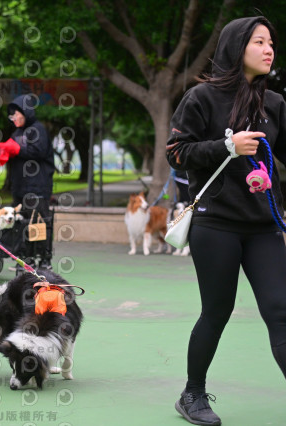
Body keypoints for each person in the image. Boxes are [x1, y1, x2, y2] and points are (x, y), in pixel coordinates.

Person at [167, 17, 286, 425]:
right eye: (259, 42)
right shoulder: (201, 97)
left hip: (263, 227)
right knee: (217, 311)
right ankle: (192, 394)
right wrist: (226, 146)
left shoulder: (275, 104)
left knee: (281, 310)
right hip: (215, 224)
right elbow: (176, 152)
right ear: (237, 47)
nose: (269, 50)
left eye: (271, 43)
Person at [0, 95, 55, 269]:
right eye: (11, 116)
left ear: (26, 113)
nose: (13, 118)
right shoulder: (17, 133)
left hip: (37, 186)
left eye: (16, 114)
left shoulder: (38, 130)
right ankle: (26, 258)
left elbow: (38, 151)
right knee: (22, 221)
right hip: (20, 186)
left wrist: (14, 148)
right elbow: (11, 151)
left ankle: (43, 259)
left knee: (38, 222)